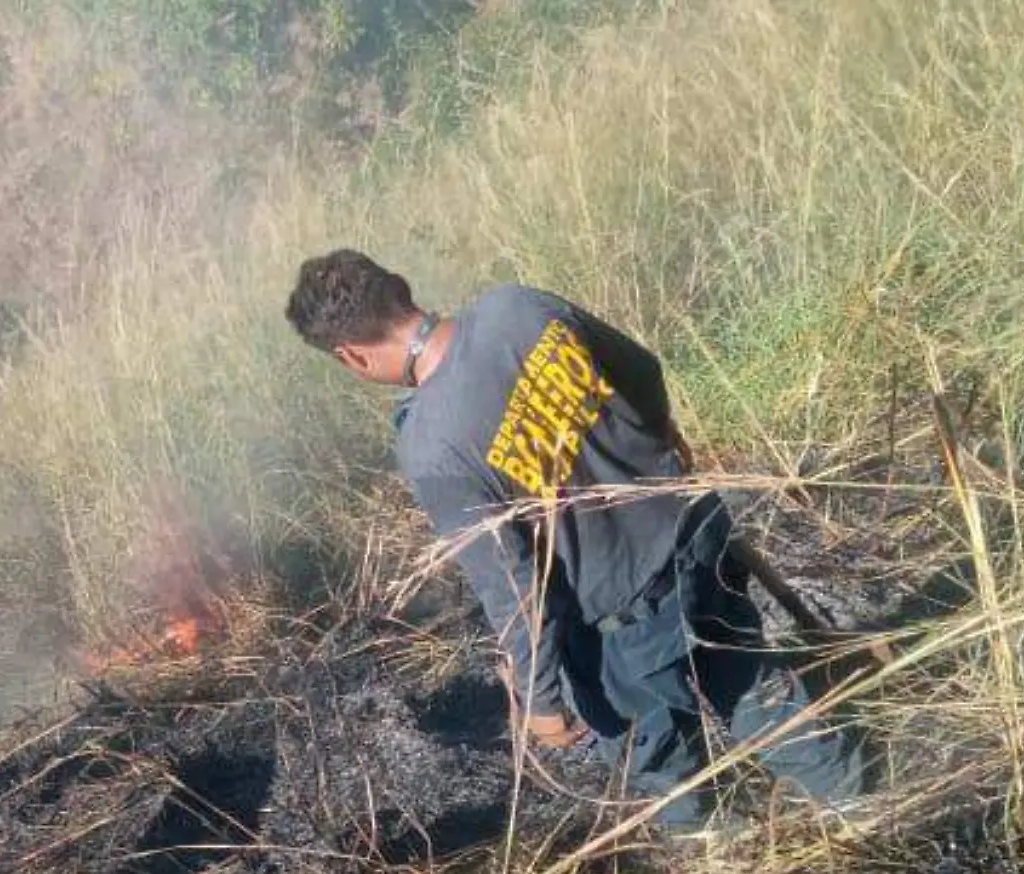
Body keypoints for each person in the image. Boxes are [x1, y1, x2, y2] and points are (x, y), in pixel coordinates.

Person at [283, 250, 863, 826]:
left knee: (662, 763)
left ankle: (722, 861)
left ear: (352, 357)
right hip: (691, 531)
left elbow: (513, 585)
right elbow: (642, 370)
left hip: (627, 622)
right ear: (401, 285)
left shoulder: (431, 447)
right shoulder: (517, 307)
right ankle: (860, 802)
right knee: (752, 683)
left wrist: (539, 699)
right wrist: (662, 443)